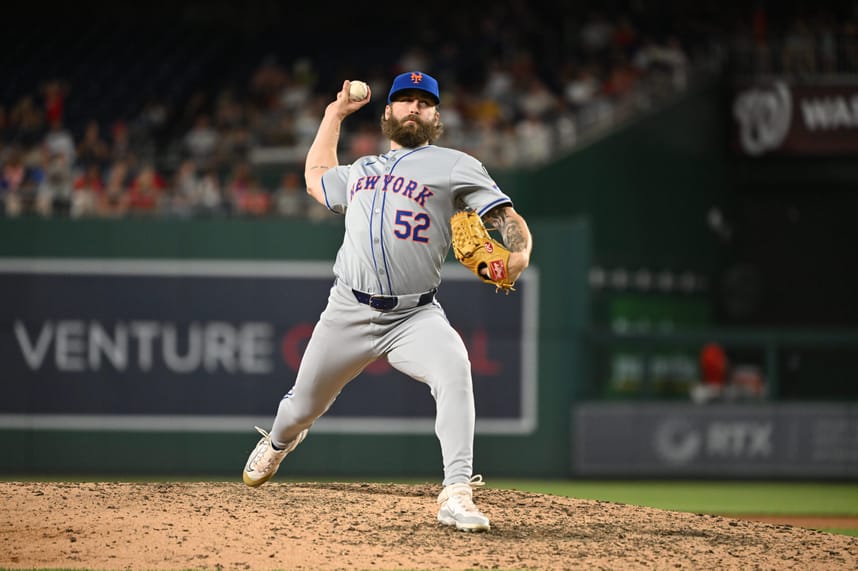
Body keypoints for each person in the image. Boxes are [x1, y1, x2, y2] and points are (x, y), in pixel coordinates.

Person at [241, 71, 533, 532]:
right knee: (299, 408)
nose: (413, 107)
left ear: (436, 116)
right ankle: (278, 443)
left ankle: (456, 492)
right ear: (388, 112)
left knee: (455, 367)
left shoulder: (456, 165)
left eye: (423, 102)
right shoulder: (362, 170)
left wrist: (519, 255)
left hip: (413, 315)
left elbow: (504, 216)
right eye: (404, 100)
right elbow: (316, 176)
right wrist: (333, 114)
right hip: (348, 311)